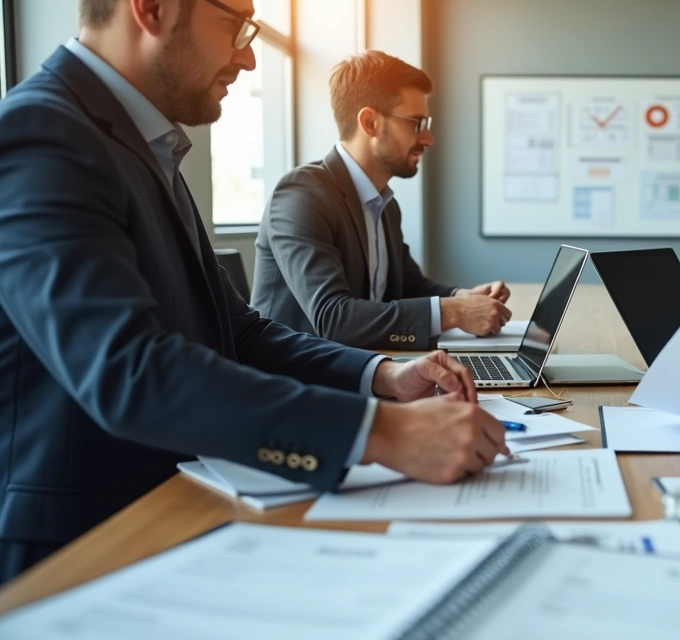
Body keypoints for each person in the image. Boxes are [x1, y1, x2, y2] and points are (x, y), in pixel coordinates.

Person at [0, 0, 507, 584]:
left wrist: (381, 375)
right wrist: (380, 432)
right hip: (85, 541)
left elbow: (236, 331)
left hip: (186, 499)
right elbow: (129, 370)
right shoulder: (44, 135)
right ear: (153, 10)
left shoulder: (144, 146)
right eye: (235, 26)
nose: (246, 56)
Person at [251, 50, 510, 350]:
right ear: (370, 122)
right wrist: (453, 313)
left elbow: (408, 286)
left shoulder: (384, 205)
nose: (428, 139)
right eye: (417, 123)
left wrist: (461, 298)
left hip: (362, 366)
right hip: (296, 381)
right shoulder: (301, 196)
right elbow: (333, 318)